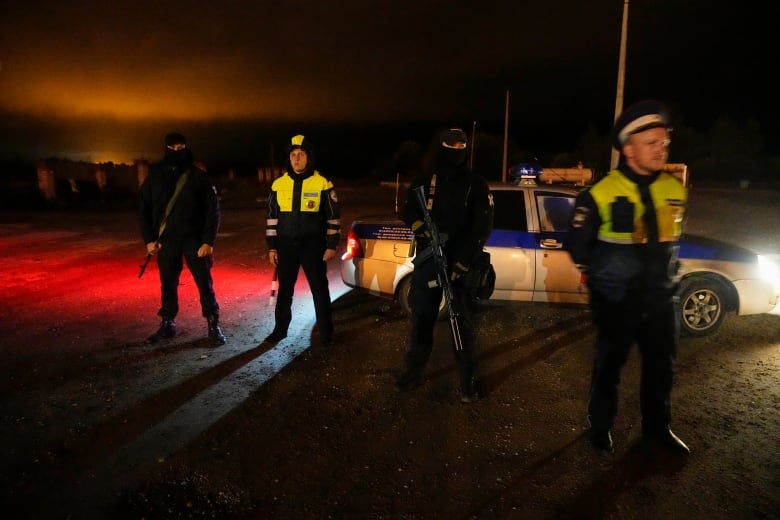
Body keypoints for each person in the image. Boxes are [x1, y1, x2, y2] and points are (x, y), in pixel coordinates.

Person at [566, 100, 689, 455]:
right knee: (609, 368)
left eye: (664, 143)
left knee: (660, 370)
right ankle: (600, 427)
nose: (661, 149)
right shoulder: (599, 194)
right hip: (617, 303)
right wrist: (606, 280)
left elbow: (673, 243)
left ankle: (657, 429)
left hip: (660, 300)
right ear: (627, 147)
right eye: (652, 142)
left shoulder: (675, 191)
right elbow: (578, 246)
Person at [393, 127, 494, 403]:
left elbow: (482, 226)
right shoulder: (426, 180)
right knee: (422, 318)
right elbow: (409, 210)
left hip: (460, 264)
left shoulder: (476, 183)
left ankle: (467, 379)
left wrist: (463, 262)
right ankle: (413, 371)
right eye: (451, 145)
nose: (456, 150)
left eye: (462, 145)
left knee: (462, 323)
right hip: (429, 261)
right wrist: (421, 230)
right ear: (442, 147)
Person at [138, 132, 226, 346]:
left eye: (181, 147)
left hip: (194, 239)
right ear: (166, 148)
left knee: (204, 282)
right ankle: (168, 323)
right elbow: (144, 209)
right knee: (167, 282)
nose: (177, 151)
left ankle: (213, 325)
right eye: (173, 148)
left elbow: (212, 210)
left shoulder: (197, 175)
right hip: (166, 240)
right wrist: (149, 239)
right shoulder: (155, 175)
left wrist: (208, 241)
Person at [264, 134, 341, 345]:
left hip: (313, 246)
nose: (297, 158)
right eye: (293, 154)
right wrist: (272, 248)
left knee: (319, 290)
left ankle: (326, 333)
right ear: (289, 158)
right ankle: (280, 331)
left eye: (301, 154)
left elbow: (333, 217)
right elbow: (272, 219)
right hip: (286, 246)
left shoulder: (322, 183)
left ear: (309, 157)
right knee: (285, 292)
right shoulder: (278, 185)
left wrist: (332, 245)